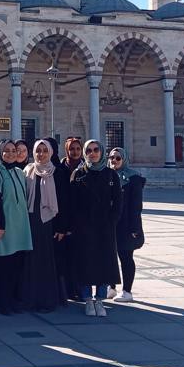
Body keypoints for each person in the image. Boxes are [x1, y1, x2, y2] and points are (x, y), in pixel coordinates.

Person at [69, 139, 122, 317]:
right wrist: (77, 224)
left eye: (96, 150)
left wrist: (111, 221)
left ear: (101, 152)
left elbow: (118, 202)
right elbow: (72, 202)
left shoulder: (111, 175)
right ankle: (87, 300)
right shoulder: (79, 174)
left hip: (104, 228)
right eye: (89, 150)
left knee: (103, 264)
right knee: (85, 263)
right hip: (84, 228)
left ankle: (99, 299)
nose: (92, 153)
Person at [0, 139, 33, 315]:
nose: (11, 153)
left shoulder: (19, 172)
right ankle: (2, 301)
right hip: (5, 227)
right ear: (0, 152)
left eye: (14, 150)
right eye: (7, 150)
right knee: (3, 267)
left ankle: (14, 300)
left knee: (16, 265)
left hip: (20, 226)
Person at [19, 140, 62, 312]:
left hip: (48, 223)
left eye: (44, 150)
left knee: (46, 261)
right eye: (38, 150)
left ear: (50, 152)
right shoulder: (28, 170)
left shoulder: (56, 172)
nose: (41, 154)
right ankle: (29, 299)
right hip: (30, 220)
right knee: (30, 261)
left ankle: (46, 300)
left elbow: (63, 201)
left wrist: (60, 227)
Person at [109, 147, 144, 303]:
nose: (114, 161)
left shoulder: (133, 178)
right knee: (110, 256)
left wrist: (134, 228)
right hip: (111, 223)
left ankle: (127, 291)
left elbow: (136, 205)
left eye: (118, 158)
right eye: (111, 157)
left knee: (126, 257)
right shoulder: (108, 175)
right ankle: (111, 287)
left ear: (124, 159)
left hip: (126, 225)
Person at [45, 136, 74, 302]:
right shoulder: (35, 169)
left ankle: (61, 294)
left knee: (59, 260)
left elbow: (65, 202)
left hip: (57, 226)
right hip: (42, 225)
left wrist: (62, 227)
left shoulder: (60, 172)